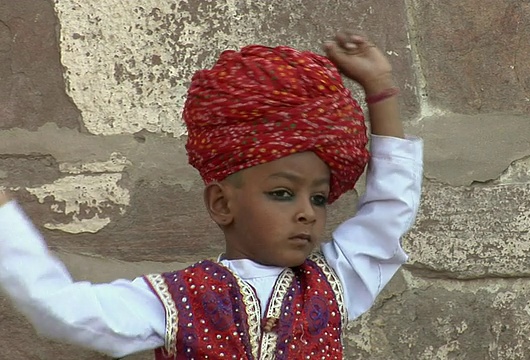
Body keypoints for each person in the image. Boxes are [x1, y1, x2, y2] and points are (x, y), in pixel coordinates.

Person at [0, 31, 423, 359]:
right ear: (222, 204)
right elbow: (61, 310)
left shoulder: (333, 285)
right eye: (282, 193)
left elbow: (389, 213)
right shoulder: (175, 300)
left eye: (318, 199)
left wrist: (380, 88)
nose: (307, 214)